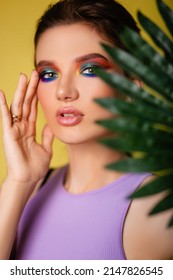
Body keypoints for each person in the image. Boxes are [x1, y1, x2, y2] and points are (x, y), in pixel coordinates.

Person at [0, 0, 172, 260]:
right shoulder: (29, 188)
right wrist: (18, 181)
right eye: (48, 73)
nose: (63, 91)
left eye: (89, 69)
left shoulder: (157, 209)